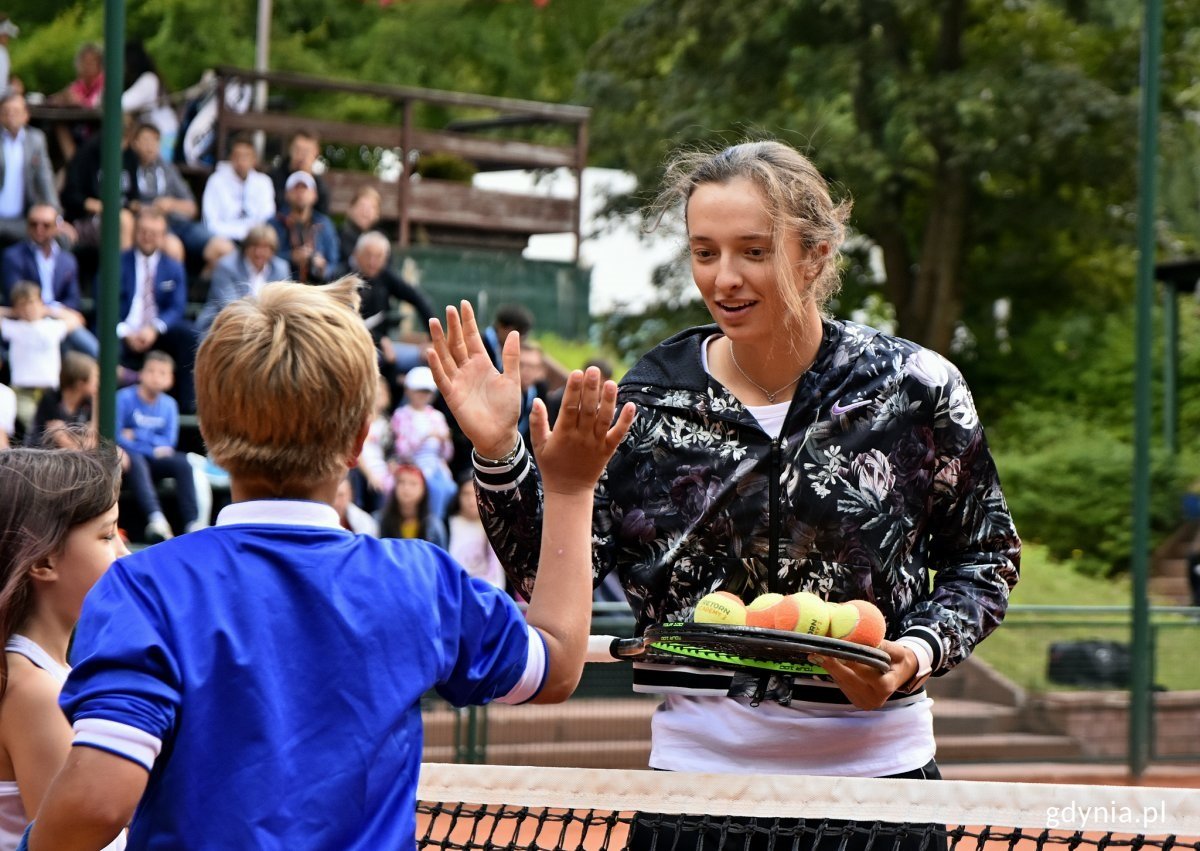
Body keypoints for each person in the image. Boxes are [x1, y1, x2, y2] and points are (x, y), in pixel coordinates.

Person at [436, 141, 1021, 832]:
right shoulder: (645, 403)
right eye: (704, 251)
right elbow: (549, 574)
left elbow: (984, 558)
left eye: (753, 250)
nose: (724, 278)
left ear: (816, 254)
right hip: (695, 795)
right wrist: (499, 451)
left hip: (881, 790)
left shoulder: (918, 388)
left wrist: (916, 650)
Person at [23, 280, 632, 850]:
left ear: (207, 432)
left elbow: (99, 801)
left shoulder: (144, 587)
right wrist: (571, 491)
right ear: (360, 439)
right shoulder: (422, 582)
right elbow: (556, 663)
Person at [0, 441, 128, 851]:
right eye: (107, 536)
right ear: (44, 561)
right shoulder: (35, 693)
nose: (124, 554)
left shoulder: (41, 674)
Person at [124, 122, 234, 275]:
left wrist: (171, 204)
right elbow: (125, 203)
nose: (150, 146)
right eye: (146, 140)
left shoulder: (168, 168)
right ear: (135, 143)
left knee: (224, 249)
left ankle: (201, 291)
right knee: (173, 248)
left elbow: (191, 208)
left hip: (179, 223)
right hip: (150, 225)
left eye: (155, 141)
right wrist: (147, 208)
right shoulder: (126, 166)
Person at [115, 351, 199, 543]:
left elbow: (169, 442)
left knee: (183, 463)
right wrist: (151, 447)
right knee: (136, 459)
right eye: (151, 371)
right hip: (130, 462)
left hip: (155, 460)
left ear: (170, 379)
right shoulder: (123, 398)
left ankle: (193, 522)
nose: (155, 377)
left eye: (162, 373)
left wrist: (137, 434)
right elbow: (116, 437)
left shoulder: (169, 404)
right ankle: (156, 519)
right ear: (141, 373)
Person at [117, 209, 196, 412]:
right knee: (104, 340)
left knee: (187, 334)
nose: (148, 236)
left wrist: (154, 328)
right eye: (143, 231)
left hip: (158, 333)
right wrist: (126, 332)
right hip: (123, 331)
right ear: (135, 231)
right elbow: (107, 305)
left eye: (154, 232)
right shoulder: (117, 262)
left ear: (162, 236)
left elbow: (177, 307)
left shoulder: (173, 267)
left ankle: (188, 410)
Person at [1, 205, 98, 358]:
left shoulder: (67, 260)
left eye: (45, 225)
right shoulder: (13, 256)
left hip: (60, 321)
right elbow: (17, 294)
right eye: (34, 224)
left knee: (94, 350)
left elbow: (73, 300)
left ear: (57, 227)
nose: (39, 229)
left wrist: (55, 313)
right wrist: (49, 311)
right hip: (25, 321)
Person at [344, 230, 435, 374]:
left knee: (430, 358)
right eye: (368, 255)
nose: (373, 262)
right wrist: (380, 340)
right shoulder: (343, 277)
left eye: (379, 256)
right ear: (357, 253)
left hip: (384, 346)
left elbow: (418, 299)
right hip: (353, 346)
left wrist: (432, 338)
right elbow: (347, 322)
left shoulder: (385, 277)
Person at [0, 282, 78, 431]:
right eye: (22, 305)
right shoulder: (14, 327)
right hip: (24, 393)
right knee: (37, 430)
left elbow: (76, 319)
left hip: (50, 393)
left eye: (32, 302)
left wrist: (48, 310)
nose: (28, 309)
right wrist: (12, 312)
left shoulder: (52, 326)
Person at [195, 224, 289, 337]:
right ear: (246, 247)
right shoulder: (226, 265)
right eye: (255, 246)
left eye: (265, 248)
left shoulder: (281, 268)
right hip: (225, 325)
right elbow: (230, 305)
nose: (259, 253)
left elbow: (284, 303)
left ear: (273, 250)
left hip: (266, 329)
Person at [391, 365, 456, 521]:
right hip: (412, 465)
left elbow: (447, 454)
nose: (422, 396)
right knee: (433, 488)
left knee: (450, 488)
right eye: (418, 391)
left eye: (426, 392)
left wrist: (444, 441)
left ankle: (434, 523)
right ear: (408, 391)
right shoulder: (401, 415)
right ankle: (429, 523)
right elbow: (402, 451)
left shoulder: (437, 416)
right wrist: (425, 436)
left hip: (435, 466)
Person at [0, 94, 61, 247]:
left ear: (26, 115)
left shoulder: (35, 140)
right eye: (6, 111)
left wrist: (55, 213)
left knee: (58, 236)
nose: (11, 115)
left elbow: (45, 178)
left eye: (15, 111)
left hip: (24, 218)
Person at [200, 133, 276, 243]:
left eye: (246, 156)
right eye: (237, 156)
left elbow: (267, 217)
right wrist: (237, 234)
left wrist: (250, 236)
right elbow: (210, 222)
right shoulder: (216, 181)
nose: (241, 161)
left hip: (255, 241)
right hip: (224, 239)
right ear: (231, 157)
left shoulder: (264, 182)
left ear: (254, 159)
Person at [269, 171, 337, 283]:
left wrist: (322, 267)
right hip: (282, 286)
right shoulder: (274, 223)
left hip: (317, 287)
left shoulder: (325, 224)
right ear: (287, 194)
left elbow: (334, 261)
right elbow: (265, 257)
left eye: (305, 188)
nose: (300, 192)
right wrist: (291, 257)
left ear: (314, 195)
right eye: (295, 188)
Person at [447, 472, 505, 591]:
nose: (471, 500)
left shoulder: (495, 526)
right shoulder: (447, 524)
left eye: (475, 494)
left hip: (491, 593)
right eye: (466, 494)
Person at [121, 41, 178, 161]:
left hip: (162, 137)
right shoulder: (149, 79)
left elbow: (122, 104)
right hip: (153, 135)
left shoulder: (149, 80)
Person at [27, 352, 96, 449]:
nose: (98, 383)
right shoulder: (51, 398)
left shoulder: (89, 402)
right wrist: (80, 440)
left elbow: (94, 439)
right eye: (95, 378)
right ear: (80, 384)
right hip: (44, 456)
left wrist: (97, 402)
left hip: (76, 455)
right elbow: (61, 440)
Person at [378, 463, 448, 549]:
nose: (406, 488)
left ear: (424, 490)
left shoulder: (433, 526)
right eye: (401, 482)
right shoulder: (379, 519)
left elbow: (440, 559)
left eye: (413, 484)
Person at [269, 129, 329, 216]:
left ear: (316, 154)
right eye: (298, 150)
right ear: (290, 149)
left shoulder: (320, 188)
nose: (301, 156)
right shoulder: (273, 179)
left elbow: (322, 218)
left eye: (307, 151)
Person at [337, 185, 381, 264]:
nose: (366, 212)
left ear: (377, 214)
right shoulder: (338, 237)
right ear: (350, 208)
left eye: (371, 208)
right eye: (362, 206)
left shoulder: (380, 241)